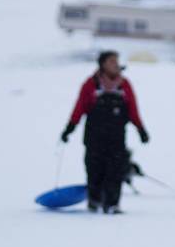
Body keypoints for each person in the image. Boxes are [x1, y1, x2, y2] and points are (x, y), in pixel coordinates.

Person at [61, 51, 149, 214]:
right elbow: (79, 108)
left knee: (115, 171)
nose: (116, 64)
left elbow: (133, 110)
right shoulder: (91, 84)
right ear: (102, 64)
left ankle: (113, 203)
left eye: (117, 61)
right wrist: (69, 129)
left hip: (116, 137)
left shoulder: (125, 85)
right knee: (95, 170)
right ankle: (94, 201)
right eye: (111, 61)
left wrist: (141, 129)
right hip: (94, 136)